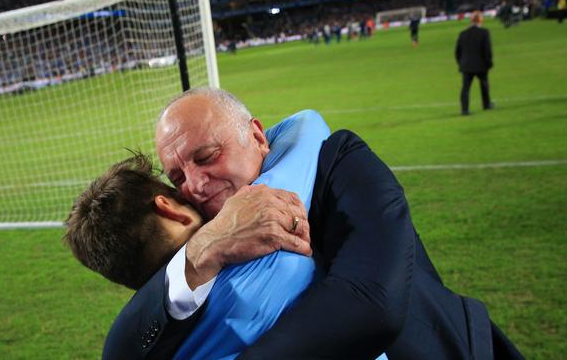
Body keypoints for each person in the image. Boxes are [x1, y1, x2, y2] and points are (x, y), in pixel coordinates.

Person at [104, 88, 524, 359]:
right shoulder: (194, 250)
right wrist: (200, 251)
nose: (194, 184)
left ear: (257, 135)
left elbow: (371, 301)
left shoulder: (337, 158)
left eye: (207, 155)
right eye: (177, 177)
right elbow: (123, 349)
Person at [455, 11, 494, 116]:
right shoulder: (484, 32)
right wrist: (489, 62)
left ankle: (464, 110)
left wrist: (461, 63)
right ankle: (486, 104)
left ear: (471, 20)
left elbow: (457, 52)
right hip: (481, 65)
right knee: (484, 85)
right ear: (481, 20)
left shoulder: (463, 33)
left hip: (466, 65)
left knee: (465, 88)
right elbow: (487, 50)